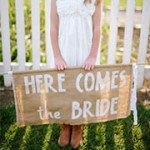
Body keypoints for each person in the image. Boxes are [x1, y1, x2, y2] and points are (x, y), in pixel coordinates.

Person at [50, 0, 102, 148]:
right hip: (64, 52)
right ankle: (65, 124)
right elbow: (53, 28)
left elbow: (97, 29)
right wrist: (57, 56)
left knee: (82, 90)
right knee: (64, 90)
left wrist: (92, 56)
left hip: (84, 53)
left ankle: (78, 125)